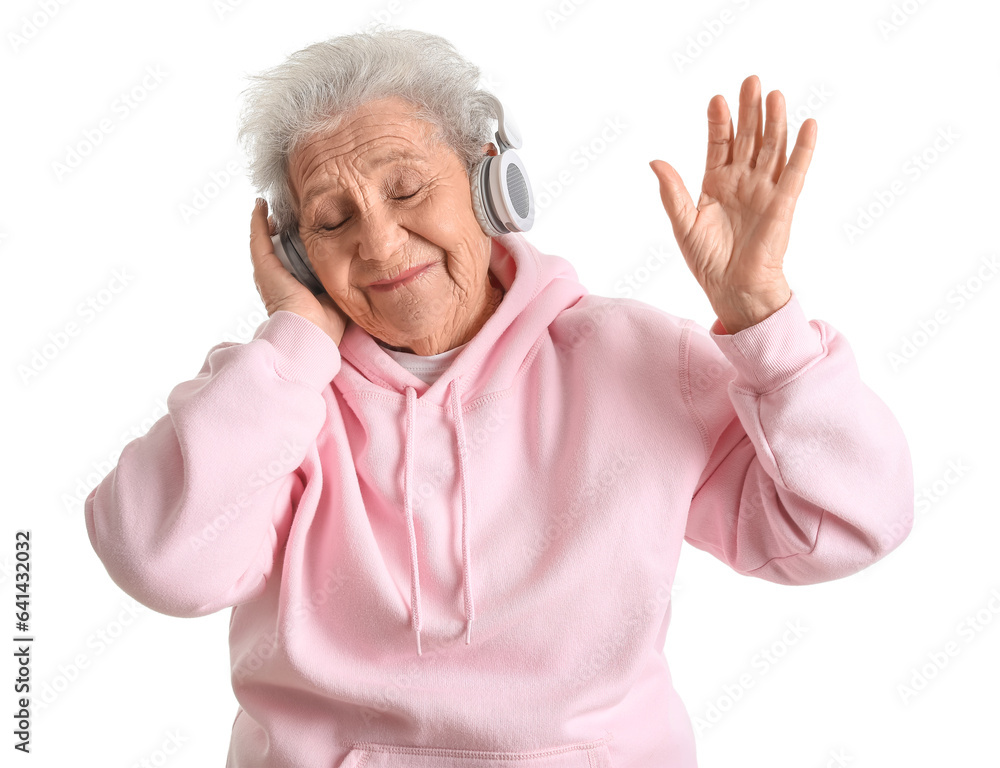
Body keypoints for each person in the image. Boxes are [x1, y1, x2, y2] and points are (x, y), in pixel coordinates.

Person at [84, 26, 914, 768]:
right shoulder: (273, 394)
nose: (378, 241)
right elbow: (160, 564)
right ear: (298, 256)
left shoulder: (639, 357)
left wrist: (764, 317)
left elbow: (845, 526)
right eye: (332, 221)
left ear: (492, 185)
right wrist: (293, 344)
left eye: (407, 191)